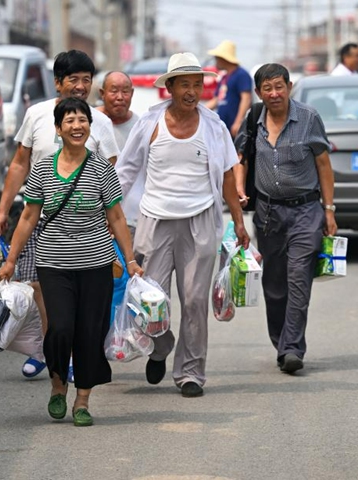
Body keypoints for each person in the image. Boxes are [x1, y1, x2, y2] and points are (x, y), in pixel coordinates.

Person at [0, 97, 142, 426]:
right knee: (60, 328)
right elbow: (29, 217)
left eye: (83, 120)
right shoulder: (43, 167)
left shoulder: (101, 168)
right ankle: (58, 385)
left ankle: (83, 400)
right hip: (54, 263)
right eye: (70, 121)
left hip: (96, 264)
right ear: (58, 129)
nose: (77, 126)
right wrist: (11, 259)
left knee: (90, 332)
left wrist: (130, 260)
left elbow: (116, 217)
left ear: (90, 127)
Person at [116, 52, 250, 398]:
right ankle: (161, 346)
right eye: (185, 85)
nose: (192, 91)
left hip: (201, 219)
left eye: (197, 84)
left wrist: (238, 221)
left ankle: (191, 373)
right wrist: (108, 215)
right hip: (155, 221)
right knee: (151, 300)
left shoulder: (214, 126)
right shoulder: (150, 123)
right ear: (170, 87)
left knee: (193, 301)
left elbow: (225, 176)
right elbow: (126, 172)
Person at [0, 50, 120, 379]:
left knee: (78, 295)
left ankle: (70, 355)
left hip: (86, 226)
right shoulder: (36, 115)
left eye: (86, 81)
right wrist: (4, 208)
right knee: (39, 287)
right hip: (42, 219)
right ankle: (53, 349)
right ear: (58, 82)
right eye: (73, 80)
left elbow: (110, 169)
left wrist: (105, 215)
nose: (80, 86)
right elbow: (20, 162)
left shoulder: (100, 122)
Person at [234, 63, 338, 374]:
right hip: (268, 214)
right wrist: (240, 191)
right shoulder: (253, 119)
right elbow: (240, 159)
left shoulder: (308, 117)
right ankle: (281, 341)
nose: (274, 93)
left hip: (306, 210)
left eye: (279, 86)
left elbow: (323, 164)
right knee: (274, 284)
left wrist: (329, 210)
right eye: (268, 88)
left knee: (298, 279)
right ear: (259, 92)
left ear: (289, 87)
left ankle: (293, 348)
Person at [97, 71, 141, 235]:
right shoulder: (87, 123)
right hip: (94, 220)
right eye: (114, 90)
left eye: (125, 91)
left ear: (132, 93)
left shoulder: (142, 128)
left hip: (132, 220)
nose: (120, 97)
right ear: (102, 93)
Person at [205, 40, 253, 138]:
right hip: (223, 126)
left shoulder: (241, 75)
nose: (216, 62)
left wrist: (238, 122)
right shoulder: (224, 77)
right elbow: (216, 100)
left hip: (234, 128)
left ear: (224, 59)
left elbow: (246, 98)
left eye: (217, 58)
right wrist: (197, 110)